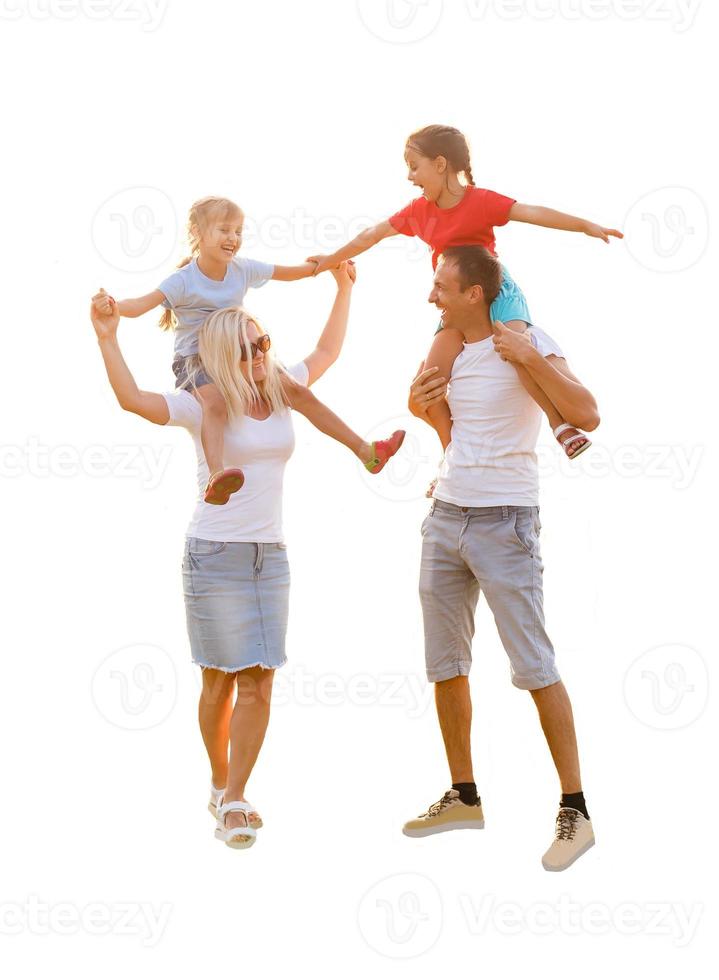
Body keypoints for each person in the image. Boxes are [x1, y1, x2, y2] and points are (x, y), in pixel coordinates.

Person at [91, 259, 362, 849]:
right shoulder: (203, 406)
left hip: (271, 556)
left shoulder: (284, 389)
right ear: (219, 357)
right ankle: (218, 784)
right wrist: (109, 338)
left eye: (262, 342)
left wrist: (341, 288)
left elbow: (327, 350)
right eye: (245, 350)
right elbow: (133, 400)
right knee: (218, 683)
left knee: (261, 681)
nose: (258, 355)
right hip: (214, 556)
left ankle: (237, 797)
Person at [400, 244, 600, 872]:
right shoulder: (450, 350)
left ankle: (577, 811)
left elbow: (588, 413)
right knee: (445, 663)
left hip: (507, 524)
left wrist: (530, 357)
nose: (433, 297)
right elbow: (440, 420)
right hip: (446, 518)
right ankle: (463, 796)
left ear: (475, 294)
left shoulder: (529, 338)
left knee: (535, 666)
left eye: (442, 287)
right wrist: (419, 404)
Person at [306, 123, 621, 460]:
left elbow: (531, 212)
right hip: (455, 303)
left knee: (515, 351)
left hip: (498, 292)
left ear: (440, 164)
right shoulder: (418, 212)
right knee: (430, 380)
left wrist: (585, 225)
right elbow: (371, 235)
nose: (410, 177)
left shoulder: (480, 201)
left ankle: (559, 426)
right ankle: (449, 456)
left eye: (415, 166)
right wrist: (330, 260)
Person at [93, 195, 403, 505]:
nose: (233, 238)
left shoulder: (242, 269)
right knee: (213, 405)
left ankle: (366, 451)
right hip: (196, 361)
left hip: (229, 355)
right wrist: (114, 307)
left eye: (238, 231)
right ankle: (217, 475)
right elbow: (141, 304)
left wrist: (329, 264)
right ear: (198, 234)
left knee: (299, 392)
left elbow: (291, 273)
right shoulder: (182, 281)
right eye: (224, 230)